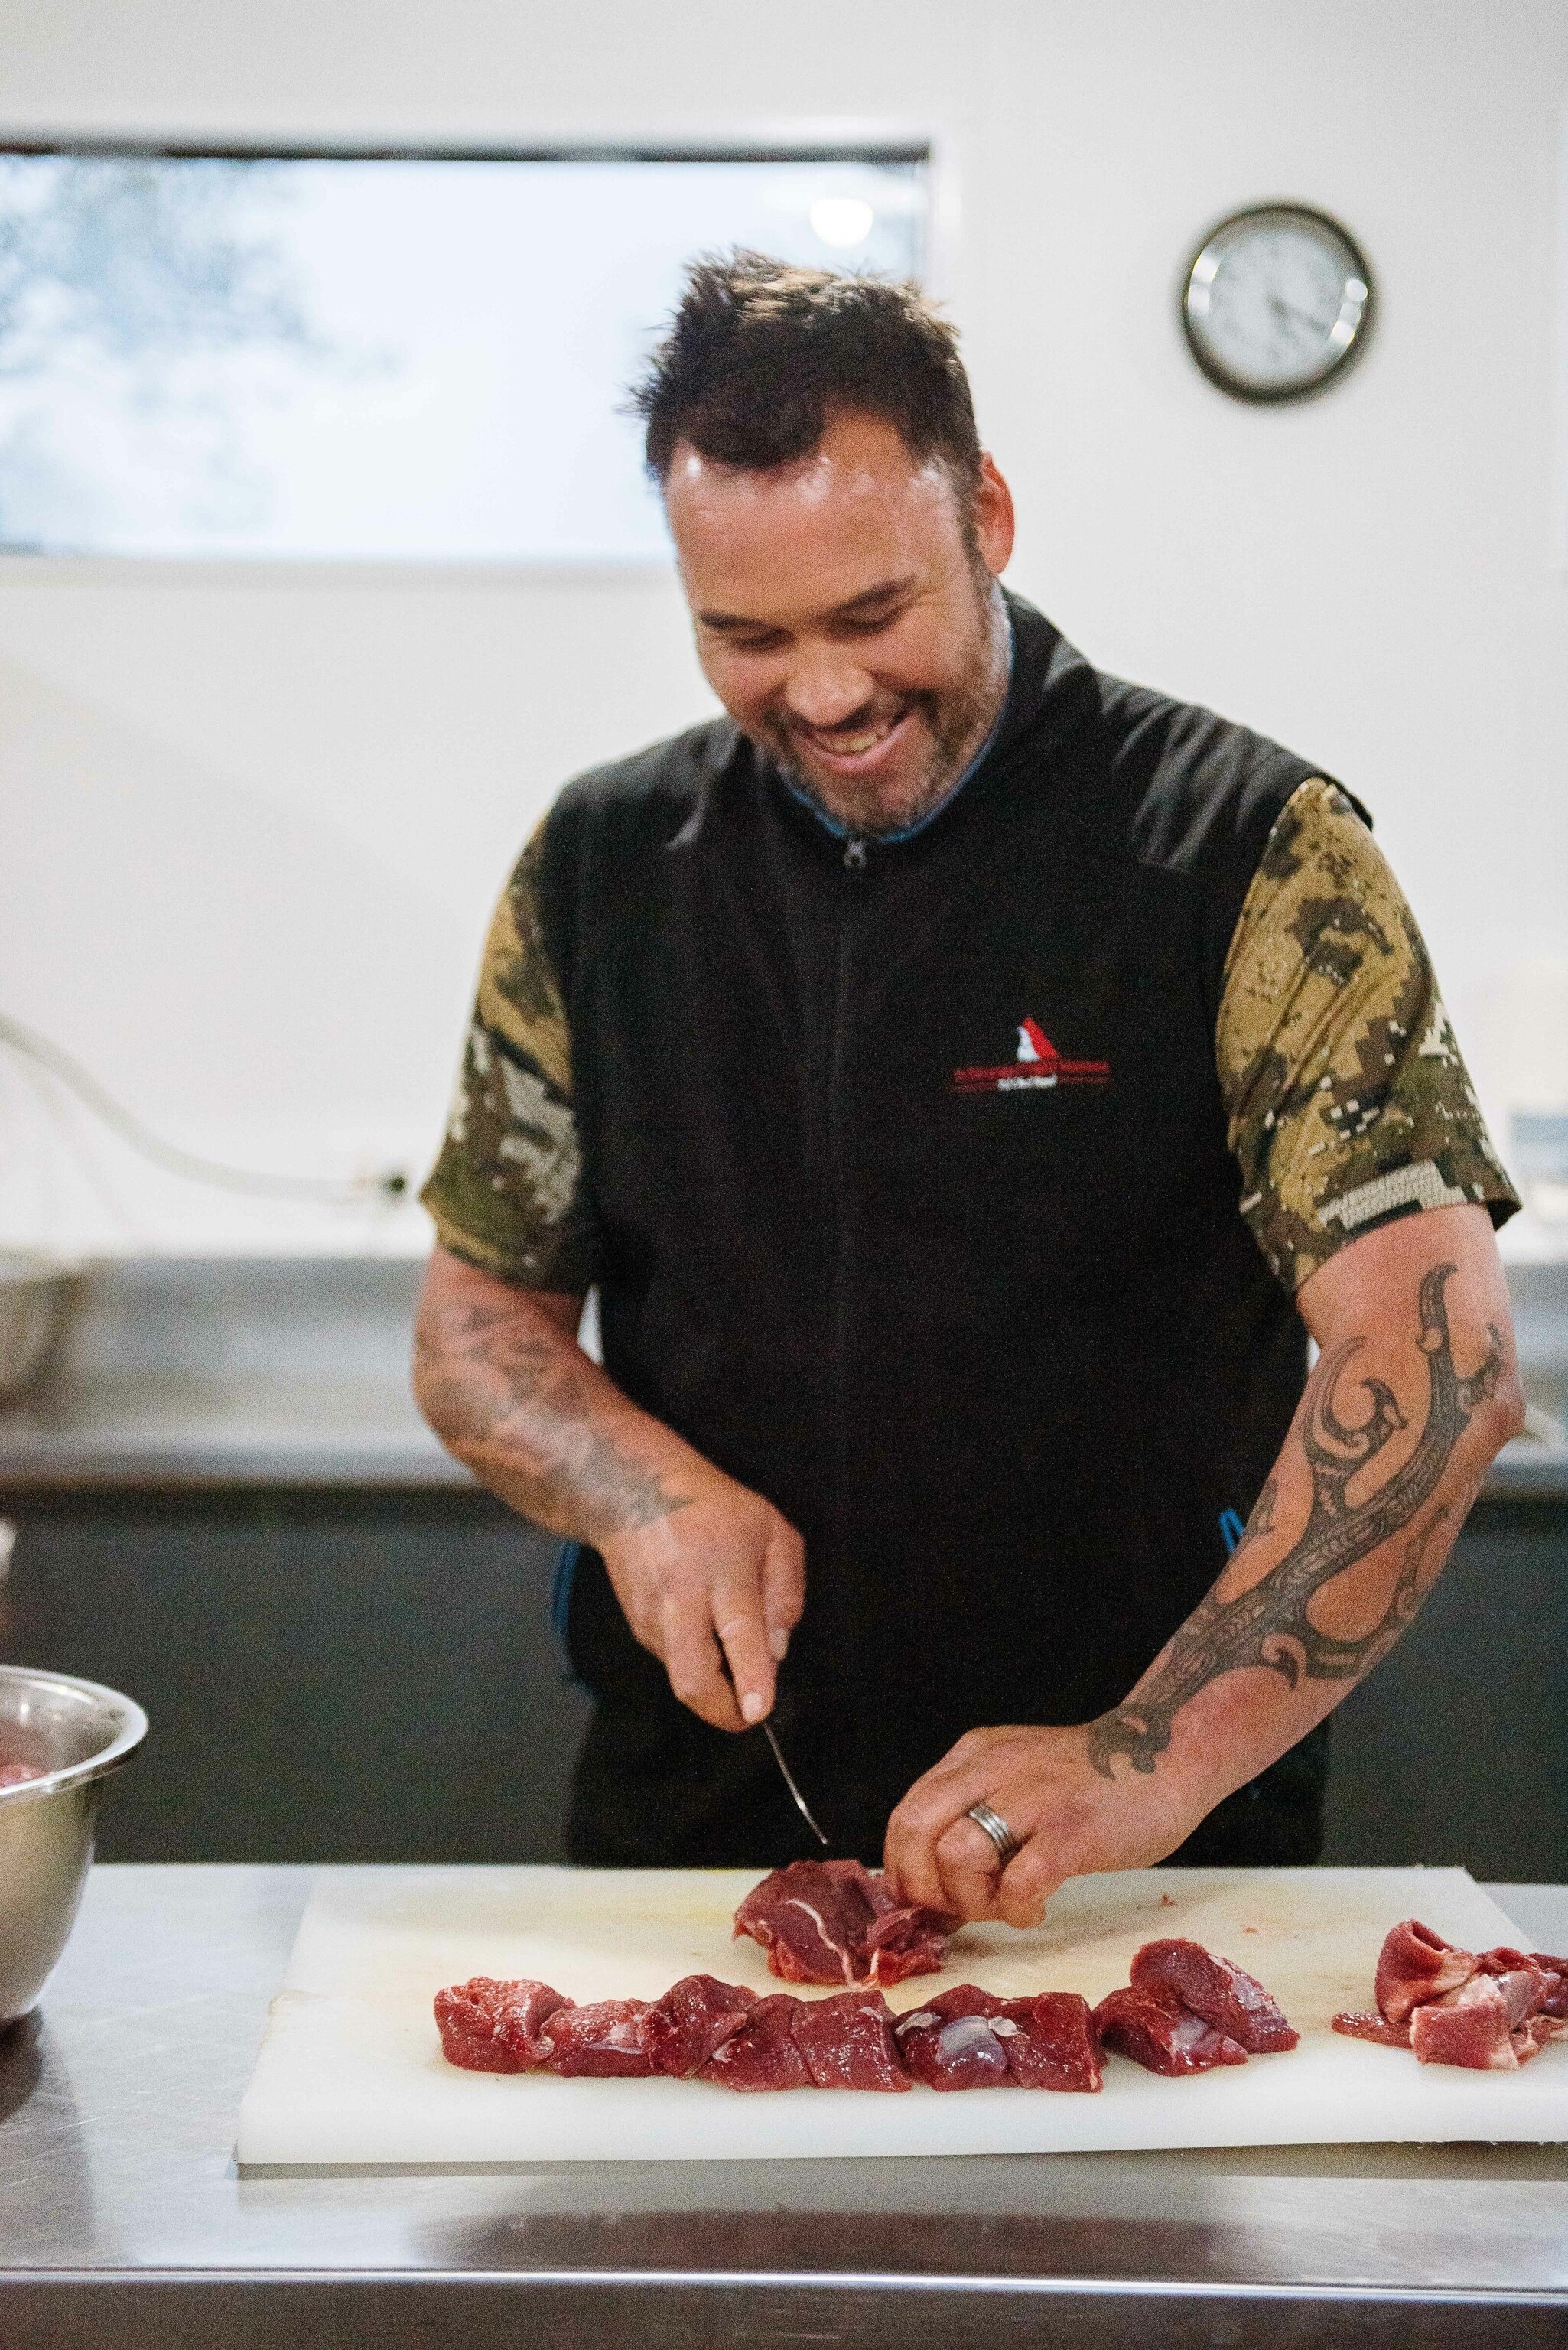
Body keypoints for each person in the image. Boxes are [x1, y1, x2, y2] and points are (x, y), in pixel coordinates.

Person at [413, 253, 1524, 1926]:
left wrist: (1144, 1754)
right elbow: (472, 1334)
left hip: (1137, 1869)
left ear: (985, 517)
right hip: (702, 1846)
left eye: (873, 616)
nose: (828, 692)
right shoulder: (601, 866)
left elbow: (1435, 1368)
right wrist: (647, 1493)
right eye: (745, 636)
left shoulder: (1239, 850)